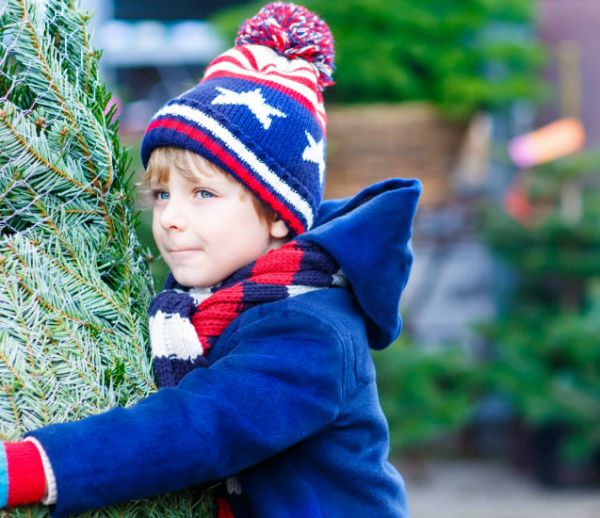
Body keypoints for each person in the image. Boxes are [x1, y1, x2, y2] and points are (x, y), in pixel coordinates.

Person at [0, 2, 421, 517]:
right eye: (160, 195)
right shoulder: (210, 301)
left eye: (202, 194)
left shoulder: (311, 329)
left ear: (277, 214)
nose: (170, 218)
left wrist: (27, 468)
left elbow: (199, 427)